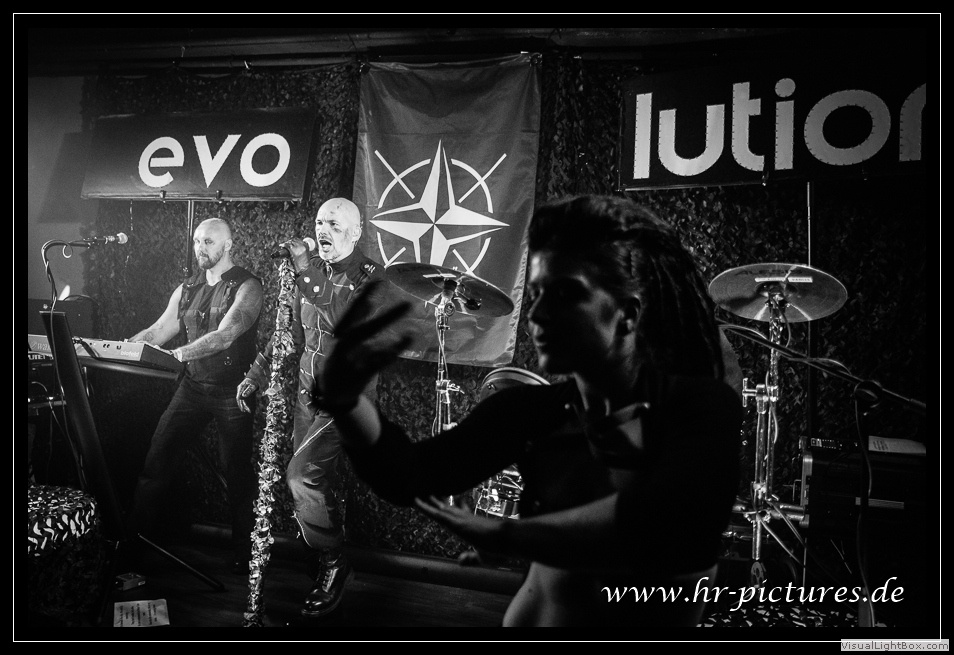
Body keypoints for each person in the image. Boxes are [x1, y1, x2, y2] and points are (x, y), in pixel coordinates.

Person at [317, 194, 745, 627]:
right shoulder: (536, 413)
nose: (536, 314)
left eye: (564, 293)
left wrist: (510, 534)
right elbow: (411, 475)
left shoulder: (700, 409)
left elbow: (665, 514)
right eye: (536, 294)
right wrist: (346, 402)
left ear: (628, 313)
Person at [235, 197, 383, 619]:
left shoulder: (372, 278)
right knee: (314, 483)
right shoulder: (312, 271)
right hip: (307, 394)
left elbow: (340, 321)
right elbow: (289, 334)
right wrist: (256, 372)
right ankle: (321, 558)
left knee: (301, 476)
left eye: (334, 224)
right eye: (320, 222)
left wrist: (304, 268)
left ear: (356, 232)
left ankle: (334, 562)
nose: (323, 230)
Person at [125, 217, 264, 573]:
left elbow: (225, 336)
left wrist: (180, 354)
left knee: (236, 473)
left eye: (209, 242)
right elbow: (159, 330)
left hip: (232, 391)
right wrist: (123, 347)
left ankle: (247, 557)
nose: (200, 248)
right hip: (193, 387)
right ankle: (133, 547)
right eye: (197, 241)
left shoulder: (248, 286)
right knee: (156, 461)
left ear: (228, 245)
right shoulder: (187, 288)